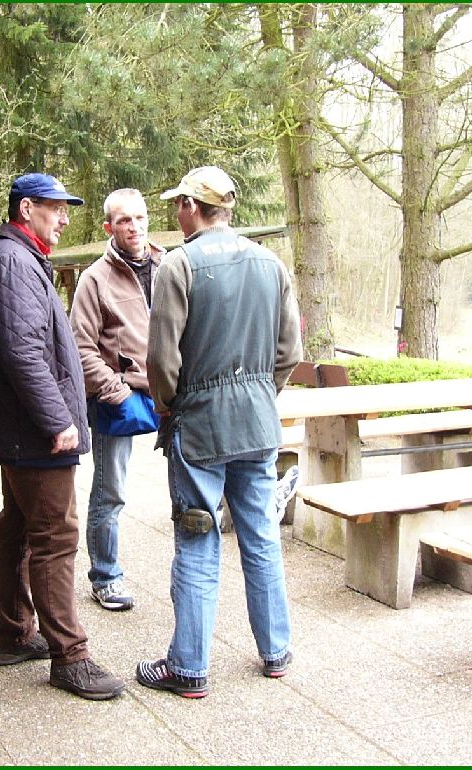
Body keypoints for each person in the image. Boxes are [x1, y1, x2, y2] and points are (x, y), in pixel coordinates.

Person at [136, 166, 303, 698]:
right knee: (262, 535)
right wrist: (260, 394)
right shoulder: (272, 264)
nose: (175, 212)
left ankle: (188, 667)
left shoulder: (178, 265)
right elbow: (290, 352)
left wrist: (169, 406)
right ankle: (276, 651)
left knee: (197, 539)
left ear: (192, 207)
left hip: (200, 426)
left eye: (178, 203)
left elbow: (162, 359)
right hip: (258, 424)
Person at [0, 172, 126, 701]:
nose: (64, 218)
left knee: (18, 527)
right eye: (56, 208)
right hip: (34, 433)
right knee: (56, 537)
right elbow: (24, 353)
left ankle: (14, 634)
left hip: (22, 430)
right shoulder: (13, 262)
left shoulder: (15, 257)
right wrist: (58, 420)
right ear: (27, 208)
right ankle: (70, 658)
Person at [69, 189, 166, 612]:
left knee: (189, 484)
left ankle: (191, 570)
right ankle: (105, 576)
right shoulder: (95, 279)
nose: (135, 226)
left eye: (140, 217)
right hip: (119, 399)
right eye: (125, 220)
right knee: (111, 492)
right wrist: (116, 390)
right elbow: (80, 348)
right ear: (109, 227)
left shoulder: (170, 267)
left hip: (170, 395)